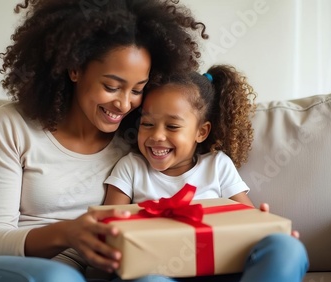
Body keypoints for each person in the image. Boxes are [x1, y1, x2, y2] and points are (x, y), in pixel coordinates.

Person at [0, 0, 209, 281]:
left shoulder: (138, 139)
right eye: (111, 86)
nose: (124, 104)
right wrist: (68, 232)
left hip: (76, 272)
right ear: (75, 69)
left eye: (137, 89)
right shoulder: (15, 125)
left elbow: (193, 171)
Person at [103, 67, 309, 281]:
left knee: (287, 248)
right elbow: (108, 229)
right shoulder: (131, 168)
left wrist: (265, 227)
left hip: (220, 270)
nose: (157, 136)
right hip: (157, 271)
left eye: (172, 126)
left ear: (201, 132)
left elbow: (247, 222)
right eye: (147, 124)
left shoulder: (217, 165)